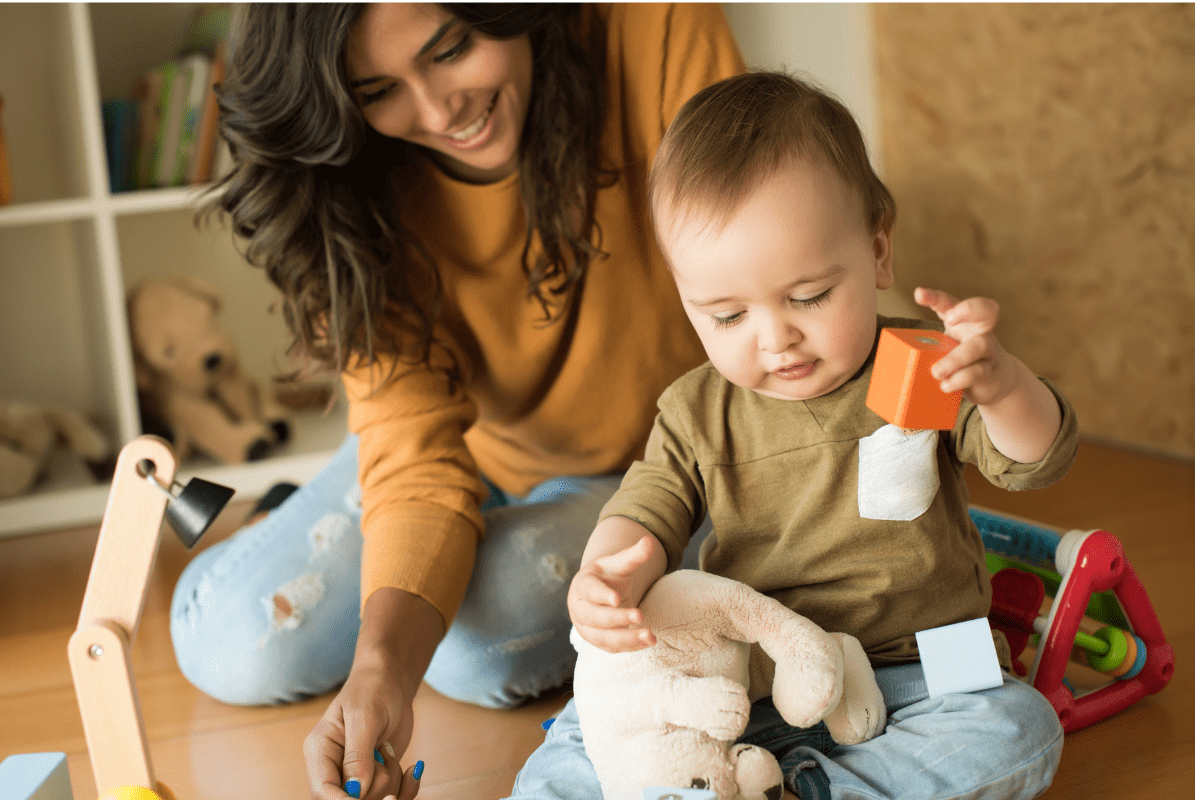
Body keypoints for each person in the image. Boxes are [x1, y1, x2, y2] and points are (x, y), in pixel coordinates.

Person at [169, 4, 744, 800]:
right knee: (231, 644)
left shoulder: (655, 24)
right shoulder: (350, 181)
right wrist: (381, 672)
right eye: (377, 90)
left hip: (652, 463)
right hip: (457, 450)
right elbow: (417, 457)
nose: (441, 111)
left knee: (474, 651)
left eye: (451, 48)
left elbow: (759, 254)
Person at [514, 72, 1079, 800]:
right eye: (725, 316)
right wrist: (607, 576)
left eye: (808, 297)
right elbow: (645, 507)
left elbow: (1034, 459)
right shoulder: (695, 410)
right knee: (581, 735)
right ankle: (709, 780)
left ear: (878, 251)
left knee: (1019, 731)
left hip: (911, 674)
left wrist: (1001, 387)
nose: (775, 338)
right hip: (743, 674)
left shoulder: (927, 367)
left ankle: (801, 789)